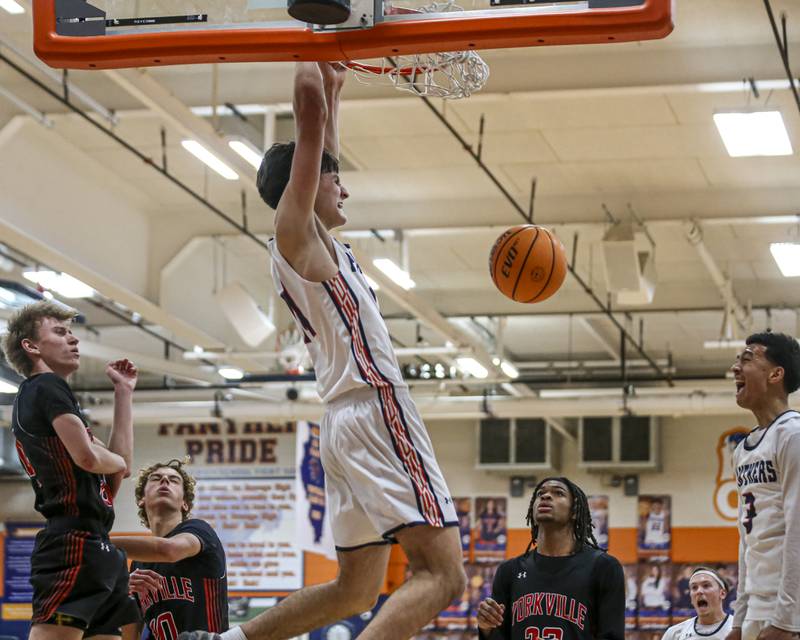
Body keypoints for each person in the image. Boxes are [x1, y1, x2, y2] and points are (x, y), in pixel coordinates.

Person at [179, 61, 465, 640]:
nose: (345, 186)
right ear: (306, 185)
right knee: (444, 575)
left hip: (343, 421)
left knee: (356, 590)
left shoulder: (313, 241)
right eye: (334, 179)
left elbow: (321, 135)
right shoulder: (295, 233)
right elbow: (307, 112)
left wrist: (335, 84)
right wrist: (311, 46)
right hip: (375, 409)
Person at [1, 301, 139, 639]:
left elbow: (117, 469)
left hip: (96, 545)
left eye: (72, 333)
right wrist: (112, 461)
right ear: (31, 347)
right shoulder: (45, 387)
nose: (74, 340)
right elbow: (90, 459)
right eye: (61, 332)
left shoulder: (56, 401)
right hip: (72, 544)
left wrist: (123, 393)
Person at [475, 477, 625, 640]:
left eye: (558, 493)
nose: (545, 497)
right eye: (540, 494)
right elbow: (498, 636)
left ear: (574, 511)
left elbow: (612, 636)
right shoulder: (509, 571)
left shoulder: (603, 567)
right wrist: (486, 628)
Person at [726, 332, 800, 640]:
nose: (735, 368)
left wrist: (786, 619)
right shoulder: (743, 450)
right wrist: (739, 620)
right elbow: (747, 540)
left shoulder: (792, 436)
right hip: (757, 607)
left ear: (776, 374)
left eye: (747, 359)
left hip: (788, 612)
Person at [112, 459, 228, 639]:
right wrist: (122, 592)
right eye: (156, 478)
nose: (164, 480)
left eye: (174, 480)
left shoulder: (199, 530)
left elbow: (168, 550)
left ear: (185, 504)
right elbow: (129, 635)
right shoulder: (137, 565)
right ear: (142, 499)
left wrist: (95, 542)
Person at [661, 568, 733, 640]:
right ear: (691, 599)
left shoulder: (739, 630)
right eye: (694, 587)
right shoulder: (674, 633)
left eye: (706, 585)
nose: (699, 591)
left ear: (722, 593)